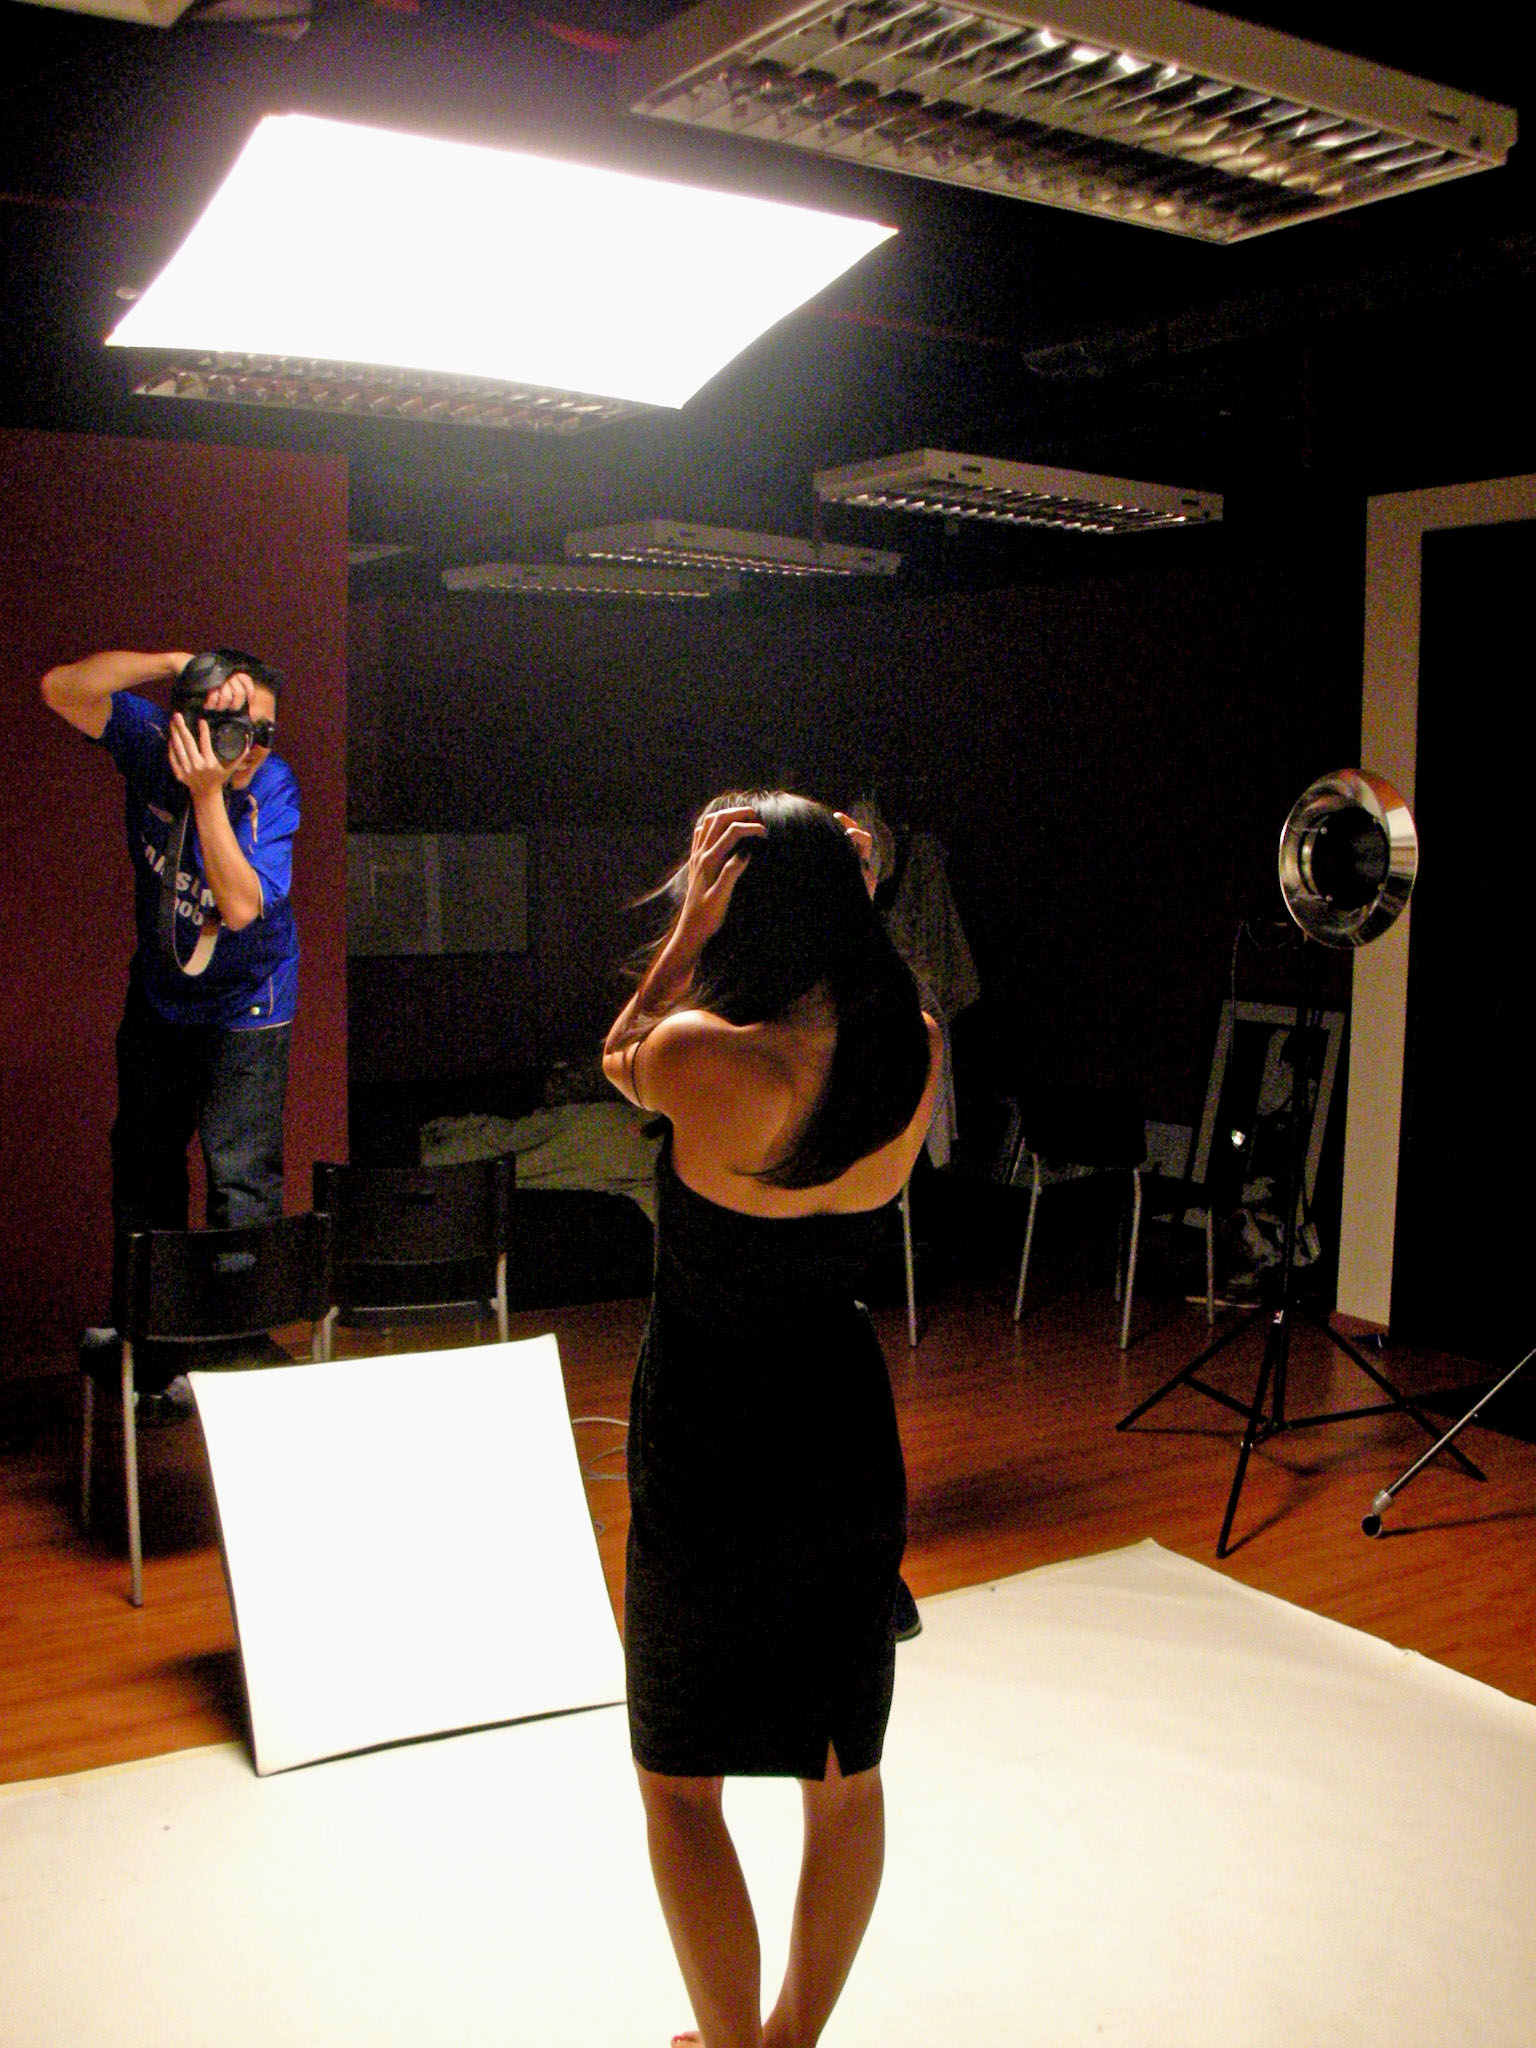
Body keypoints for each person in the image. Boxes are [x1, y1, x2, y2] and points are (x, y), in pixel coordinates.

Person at [602, 792, 941, 2048]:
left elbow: (614, 1051)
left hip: (706, 1429)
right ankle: (792, 2040)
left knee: (681, 1781)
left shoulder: (705, 1055)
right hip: (842, 1426)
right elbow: (865, 985)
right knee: (843, 1775)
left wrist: (687, 925)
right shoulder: (910, 1041)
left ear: (751, 911)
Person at [40, 647, 299, 1249]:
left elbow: (238, 909)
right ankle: (146, 1334)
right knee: (143, 1166)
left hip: (248, 1003)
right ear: (194, 722)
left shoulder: (273, 786)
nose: (253, 745)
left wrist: (209, 795)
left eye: (265, 731)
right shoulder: (155, 744)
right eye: (236, 728)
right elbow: (60, 688)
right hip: (161, 993)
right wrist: (173, 663)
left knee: (241, 1182)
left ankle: (239, 1338)